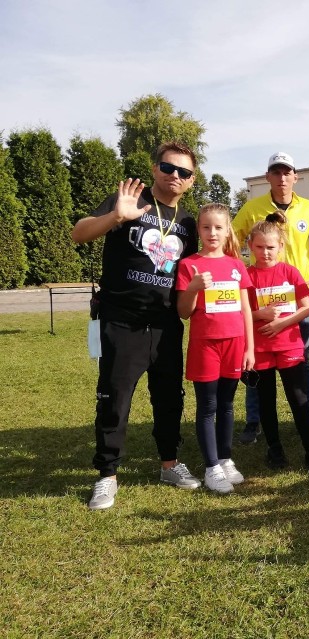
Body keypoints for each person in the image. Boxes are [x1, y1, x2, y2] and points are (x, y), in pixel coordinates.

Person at [72, 141, 202, 510]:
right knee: (115, 398)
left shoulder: (189, 224)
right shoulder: (130, 199)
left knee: (168, 398)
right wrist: (116, 217)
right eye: (168, 167)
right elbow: (79, 233)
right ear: (154, 168)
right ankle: (107, 475)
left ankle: (169, 464)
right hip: (122, 319)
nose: (175, 175)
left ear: (191, 181)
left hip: (164, 324)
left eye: (184, 172)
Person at [232, 152, 309, 442]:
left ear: (295, 176)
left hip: (299, 299)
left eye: (287, 172)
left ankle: (307, 416)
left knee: (303, 360)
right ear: (268, 177)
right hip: (261, 301)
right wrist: (239, 274)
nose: (281, 178)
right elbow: (232, 241)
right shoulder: (252, 208)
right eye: (276, 172)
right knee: (255, 360)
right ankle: (254, 422)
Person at [176, 203, 254, 494]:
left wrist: (250, 349)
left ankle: (225, 459)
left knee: (227, 405)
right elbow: (184, 311)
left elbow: (246, 310)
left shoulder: (236, 265)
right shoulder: (189, 265)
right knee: (208, 406)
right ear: (199, 230)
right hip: (205, 346)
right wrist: (194, 287)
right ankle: (211, 468)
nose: (212, 232)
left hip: (235, 346)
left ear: (227, 231)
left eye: (218, 227)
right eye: (206, 227)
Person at [245, 215, 309, 475]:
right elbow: (243, 310)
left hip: (289, 345)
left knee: (298, 398)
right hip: (261, 348)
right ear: (250, 246)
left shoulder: (290, 272)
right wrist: (261, 316)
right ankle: (275, 449)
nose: (265, 252)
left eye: (270, 247)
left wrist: (281, 324)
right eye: (259, 247)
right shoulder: (247, 276)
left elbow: (305, 309)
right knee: (266, 401)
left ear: (280, 246)